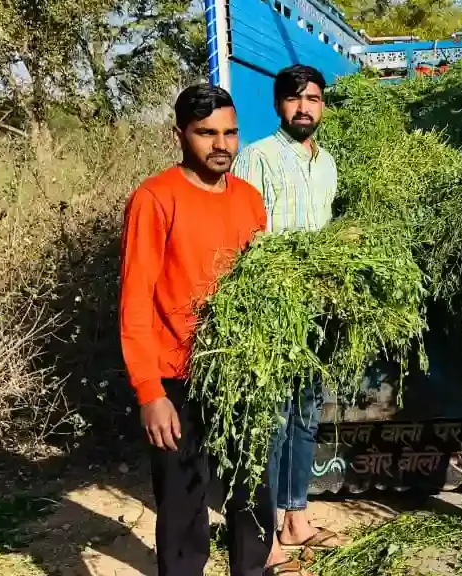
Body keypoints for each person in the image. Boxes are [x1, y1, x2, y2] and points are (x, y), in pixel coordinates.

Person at [120, 84, 295, 576]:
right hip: (177, 375)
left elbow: (260, 284)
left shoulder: (248, 199)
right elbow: (134, 302)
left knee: (251, 490)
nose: (221, 144)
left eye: (230, 133)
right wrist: (149, 391)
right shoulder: (155, 199)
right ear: (180, 135)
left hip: (241, 371)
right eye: (206, 134)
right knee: (181, 501)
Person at [232, 64, 345, 560]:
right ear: (279, 105)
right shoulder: (255, 159)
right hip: (272, 312)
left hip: (318, 311)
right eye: (296, 99)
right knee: (272, 421)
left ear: (323, 106)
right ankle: (267, 531)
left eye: (313, 99)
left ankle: (297, 517)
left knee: (305, 415)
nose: (305, 107)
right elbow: (241, 239)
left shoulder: (328, 164)